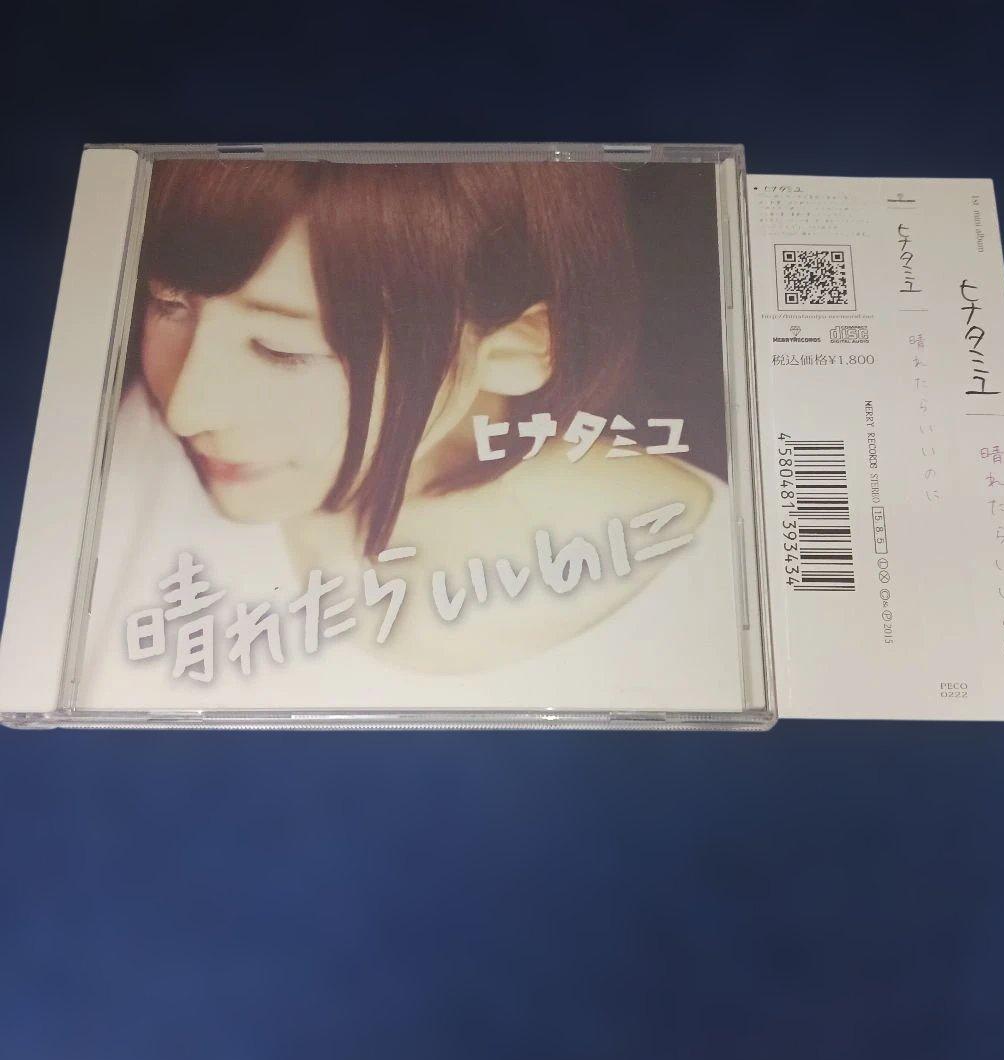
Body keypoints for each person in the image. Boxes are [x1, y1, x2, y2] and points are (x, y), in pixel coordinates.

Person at [82, 159, 740, 714]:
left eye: (283, 349)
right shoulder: (129, 455)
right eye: (169, 304)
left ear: (517, 348)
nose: (185, 409)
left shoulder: (720, 609)